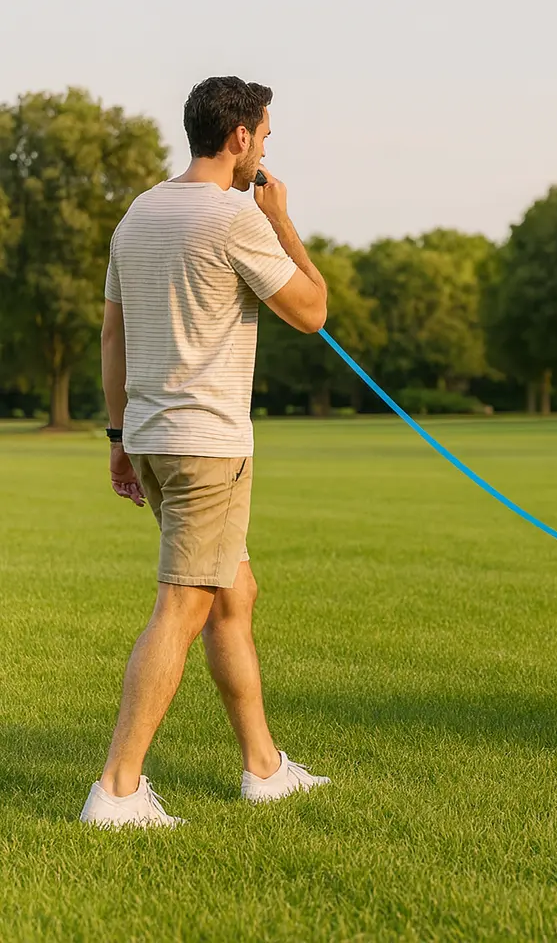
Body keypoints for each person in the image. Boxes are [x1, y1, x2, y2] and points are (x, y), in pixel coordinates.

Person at [80, 76, 331, 828]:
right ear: (240, 137)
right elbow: (313, 312)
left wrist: (119, 437)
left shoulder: (137, 214)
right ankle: (117, 790)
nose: (265, 152)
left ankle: (264, 768)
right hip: (206, 447)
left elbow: (113, 334)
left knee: (233, 595)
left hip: (153, 440)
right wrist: (282, 222)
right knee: (183, 605)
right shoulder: (235, 217)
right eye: (265, 136)